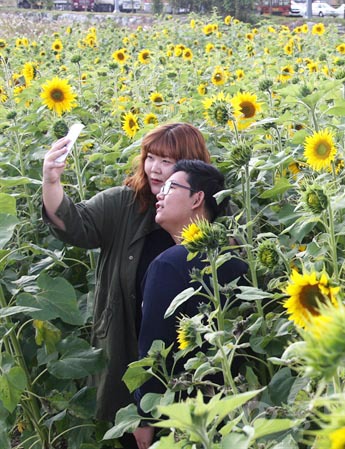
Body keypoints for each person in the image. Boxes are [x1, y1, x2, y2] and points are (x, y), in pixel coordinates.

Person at [42, 123, 211, 448]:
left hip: (193, 361)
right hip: (129, 348)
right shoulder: (125, 205)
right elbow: (74, 225)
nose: (155, 169)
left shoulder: (208, 211)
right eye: (151, 157)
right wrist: (51, 180)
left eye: (167, 161)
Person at [132, 160, 248, 448]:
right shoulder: (238, 262)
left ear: (197, 199)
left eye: (170, 187)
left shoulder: (168, 265)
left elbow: (155, 350)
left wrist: (145, 417)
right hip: (236, 409)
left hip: (186, 413)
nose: (160, 194)